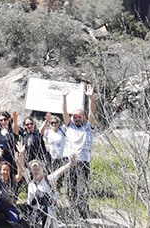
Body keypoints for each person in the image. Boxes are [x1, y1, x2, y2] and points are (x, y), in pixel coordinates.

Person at [62, 84, 97, 219]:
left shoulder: (88, 127)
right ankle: (73, 210)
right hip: (71, 163)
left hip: (84, 162)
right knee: (71, 188)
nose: (76, 118)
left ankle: (83, 211)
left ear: (84, 118)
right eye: (75, 117)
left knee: (83, 188)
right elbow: (64, 113)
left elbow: (92, 113)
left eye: (79, 116)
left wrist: (91, 99)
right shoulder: (69, 126)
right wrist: (64, 98)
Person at [27, 156, 76, 228]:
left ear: (42, 170)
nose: (36, 171)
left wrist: (70, 164)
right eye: (34, 170)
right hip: (35, 213)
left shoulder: (48, 179)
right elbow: (30, 203)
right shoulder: (30, 184)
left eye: (38, 169)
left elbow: (59, 171)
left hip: (48, 212)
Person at [0, 141, 26, 228]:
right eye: (4, 170)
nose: (6, 172)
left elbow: (20, 172)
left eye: (8, 170)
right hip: (0, 203)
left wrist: (20, 158)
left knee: (16, 221)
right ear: (1, 170)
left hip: (10, 205)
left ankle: (6, 216)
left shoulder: (13, 179)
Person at [41, 112, 66, 189]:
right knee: (52, 174)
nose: (54, 124)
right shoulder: (48, 132)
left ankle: (59, 189)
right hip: (52, 157)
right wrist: (46, 121)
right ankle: (51, 189)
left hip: (61, 157)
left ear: (59, 123)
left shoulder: (62, 130)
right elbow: (40, 132)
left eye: (56, 122)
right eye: (52, 123)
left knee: (61, 175)